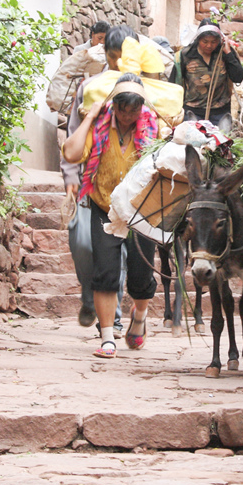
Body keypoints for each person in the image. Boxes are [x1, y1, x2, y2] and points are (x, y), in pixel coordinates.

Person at [62, 72, 159, 359]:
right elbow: (70, 153)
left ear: (142, 108)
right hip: (104, 208)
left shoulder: (153, 130)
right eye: (122, 109)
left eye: (134, 110)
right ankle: (107, 338)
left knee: (141, 279)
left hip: (142, 212)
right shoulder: (100, 127)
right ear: (113, 105)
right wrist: (89, 118)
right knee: (104, 273)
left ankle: (139, 317)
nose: (128, 116)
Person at [171, 19, 243, 132]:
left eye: (214, 42)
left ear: (220, 40)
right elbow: (173, 85)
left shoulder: (224, 53)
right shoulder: (185, 55)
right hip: (192, 111)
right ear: (198, 39)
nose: (209, 45)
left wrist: (228, 53)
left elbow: (238, 77)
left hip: (220, 111)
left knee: (222, 145)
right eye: (205, 41)